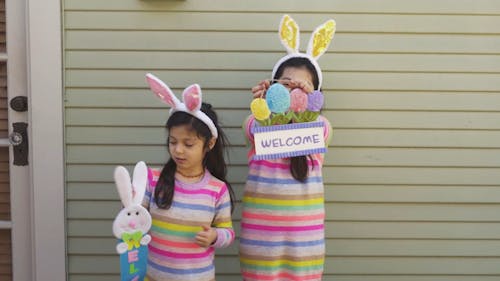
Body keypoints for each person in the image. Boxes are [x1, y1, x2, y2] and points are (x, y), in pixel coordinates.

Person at [239, 15, 336, 281]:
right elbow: (251, 126)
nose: (294, 91)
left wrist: (309, 104)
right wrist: (263, 105)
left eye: (303, 86)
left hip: (305, 247)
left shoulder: (318, 129)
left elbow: (323, 127)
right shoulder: (258, 125)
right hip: (261, 245)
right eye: (286, 84)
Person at [142, 74, 235, 281]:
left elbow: (227, 232)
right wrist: (130, 205)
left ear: (209, 144)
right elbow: (135, 217)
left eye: (188, 144)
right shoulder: (153, 179)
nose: (178, 150)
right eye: (173, 141)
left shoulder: (217, 189)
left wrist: (214, 236)